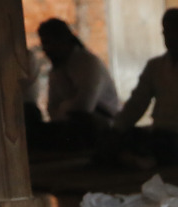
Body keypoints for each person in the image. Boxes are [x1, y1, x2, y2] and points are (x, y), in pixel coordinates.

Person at [110, 7, 178, 165]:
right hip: (158, 134)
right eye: (167, 32)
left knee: (168, 147)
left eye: (177, 31)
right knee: (126, 139)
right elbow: (137, 103)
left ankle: (143, 160)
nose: (172, 37)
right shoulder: (155, 67)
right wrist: (117, 129)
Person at [36, 18, 119, 150]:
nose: (46, 49)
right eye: (44, 44)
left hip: (102, 123)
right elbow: (51, 109)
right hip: (69, 123)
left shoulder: (87, 62)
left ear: (63, 40)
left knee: (81, 122)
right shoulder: (56, 70)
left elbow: (84, 106)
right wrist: (68, 107)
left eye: (50, 43)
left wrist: (63, 107)